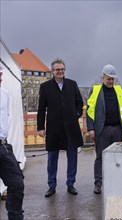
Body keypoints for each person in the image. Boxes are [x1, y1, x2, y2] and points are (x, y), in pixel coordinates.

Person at [37, 58, 83, 197]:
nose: (60, 71)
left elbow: (79, 103)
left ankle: (71, 184)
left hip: (71, 127)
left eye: (62, 69)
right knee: (52, 158)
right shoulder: (45, 87)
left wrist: (76, 114)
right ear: (52, 71)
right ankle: (52, 186)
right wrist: (40, 127)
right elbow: (41, 109)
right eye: (57, 69)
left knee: (73, 156)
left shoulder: (72, 84)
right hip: (53, 127)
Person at [86, 64, 122, 194]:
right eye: (108, 78)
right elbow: (89, 111)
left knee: (117, 157)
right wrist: (90, 128)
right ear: (103, 78)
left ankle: (116, 181)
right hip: (102, 130)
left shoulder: (119, 90)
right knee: (100, 157)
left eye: (112, 79)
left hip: (117, 129)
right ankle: (98, 183)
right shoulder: (95, 91)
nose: (110, 81)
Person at [0, 65, 24, 220]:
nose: (1, 78)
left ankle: (15, 216)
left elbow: (5, 117)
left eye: (0, 74)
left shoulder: (4, 93)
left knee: (17, 183)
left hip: (3, 145)